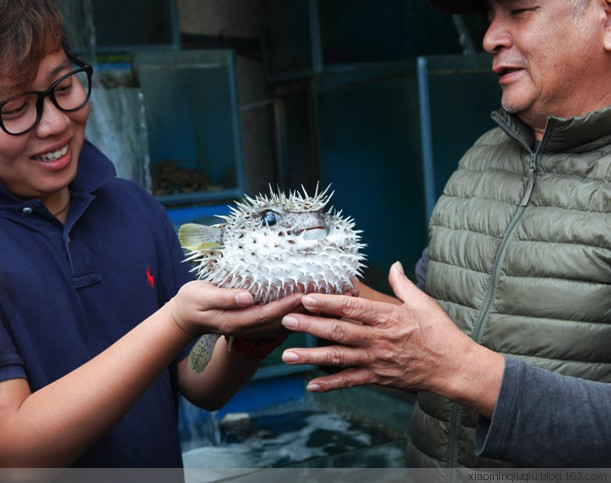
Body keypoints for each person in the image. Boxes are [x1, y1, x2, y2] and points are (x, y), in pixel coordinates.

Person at [280, 0, 611, 470]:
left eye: (519, 10)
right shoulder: (480, 159)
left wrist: (463, 372)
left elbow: (446, 360)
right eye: (489, 14)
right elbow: (430, 336)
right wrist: (313, 295)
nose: (490, 37)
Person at [0, 0, 300, 469]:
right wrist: (175, 321)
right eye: (17, 108)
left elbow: (199, 380)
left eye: (64, 86)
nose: (55, 123)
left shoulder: (134, 208)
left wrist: (255, 330)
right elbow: (16, 455)